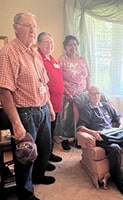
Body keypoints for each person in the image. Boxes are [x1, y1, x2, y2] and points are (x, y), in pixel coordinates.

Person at [0, 13, 56, 200]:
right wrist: (16, 123)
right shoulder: (9, 52)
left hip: (41, 109)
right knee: (25, 156)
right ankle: (26, 194)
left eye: (35, 26)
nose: (33, 30)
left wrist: (48, 105)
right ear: (16, 27)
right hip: (25, 113)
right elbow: (4, 90)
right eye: (28, 26)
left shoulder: (34, 53)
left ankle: (38, 176)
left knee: (45, 149)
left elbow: (44, 83)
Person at [77, 86, 123, 196]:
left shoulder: (106, 106)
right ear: (89, 96)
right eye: (93, 94)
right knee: (114, 148)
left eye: (98, 93)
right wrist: (93, 133)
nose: (96, 96)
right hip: (101, 136)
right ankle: (118, 179)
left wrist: (120, 125)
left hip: (114, 133)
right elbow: (80, 126)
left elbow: (118, 116)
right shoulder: (86, 109)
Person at [56, 35, 90, 150]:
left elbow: (88, 75)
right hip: (68, 94)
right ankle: (65, 139)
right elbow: (58, 79)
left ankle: (77, 138)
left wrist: (88, 90)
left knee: (81, 117)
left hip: (83, 94)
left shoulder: (82, 59)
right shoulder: (61, 60)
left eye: (75, 44)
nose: (73, 47)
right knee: (67, 118)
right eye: (70, 45)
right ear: (65, 46)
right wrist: (67, 93)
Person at [37, 32, 64, 171]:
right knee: (45, 135)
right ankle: (43, 160)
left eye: (52, 43)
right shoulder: (38, 58)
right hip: (47, 102)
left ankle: (49, 154)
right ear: (39, 44)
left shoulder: (52, 59)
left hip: (57, 102)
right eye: (46, 43)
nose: (50, 45)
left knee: (52, 131)